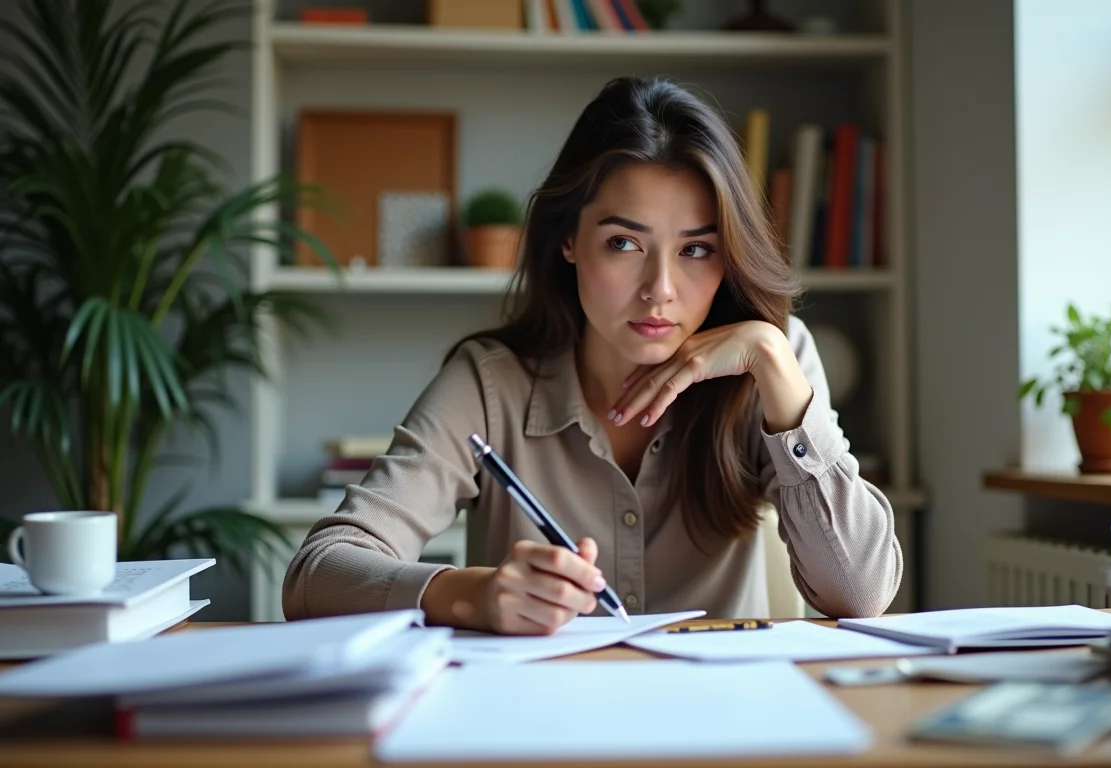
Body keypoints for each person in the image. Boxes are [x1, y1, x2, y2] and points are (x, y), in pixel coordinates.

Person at [282, 77, 901, 635]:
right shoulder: (490, 384)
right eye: (624, 242)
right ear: (570, 242)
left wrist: (778, 375)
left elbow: (860, 593)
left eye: (695, 250)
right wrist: (472, 594)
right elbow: (315, 575)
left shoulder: (776, 361)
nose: (660, 288)